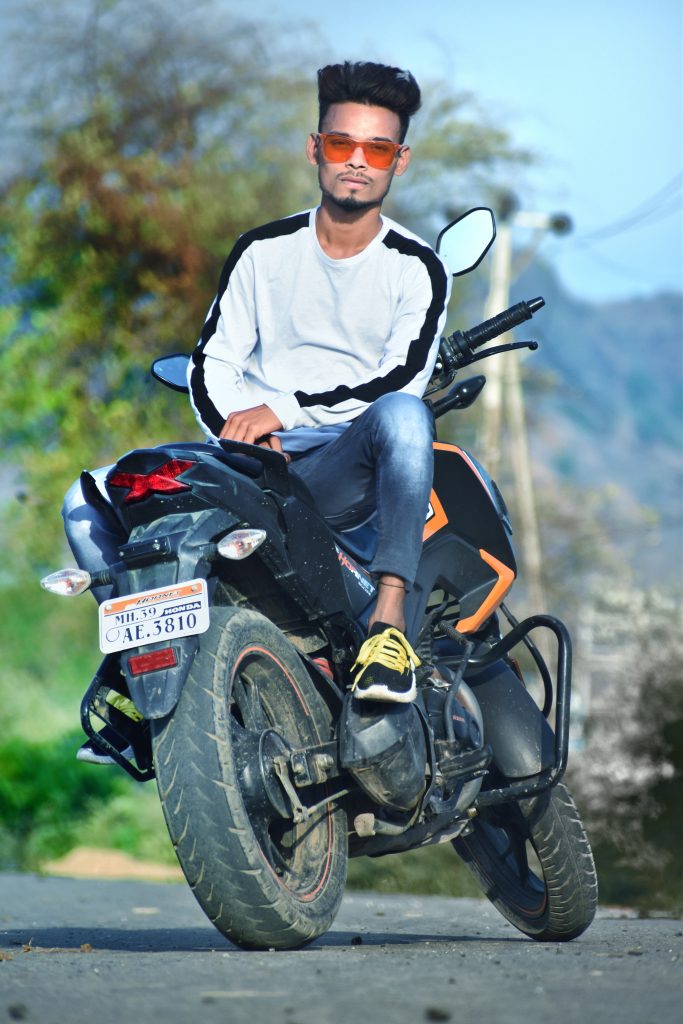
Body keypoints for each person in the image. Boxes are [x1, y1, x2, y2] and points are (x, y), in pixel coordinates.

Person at [188, 60, 451, 703]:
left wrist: (282, 410)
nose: (357, 161)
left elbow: (402, 380)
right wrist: (239, 431)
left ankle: (387, 632)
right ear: (316, 149)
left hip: (343, 469)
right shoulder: (262, 251)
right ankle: (128, 673)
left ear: (400, 160)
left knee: (404, 417)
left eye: (377, 148)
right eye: (341, 143)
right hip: (252, 465)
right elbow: (211, 363)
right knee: (96, 494)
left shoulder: (417, 268)